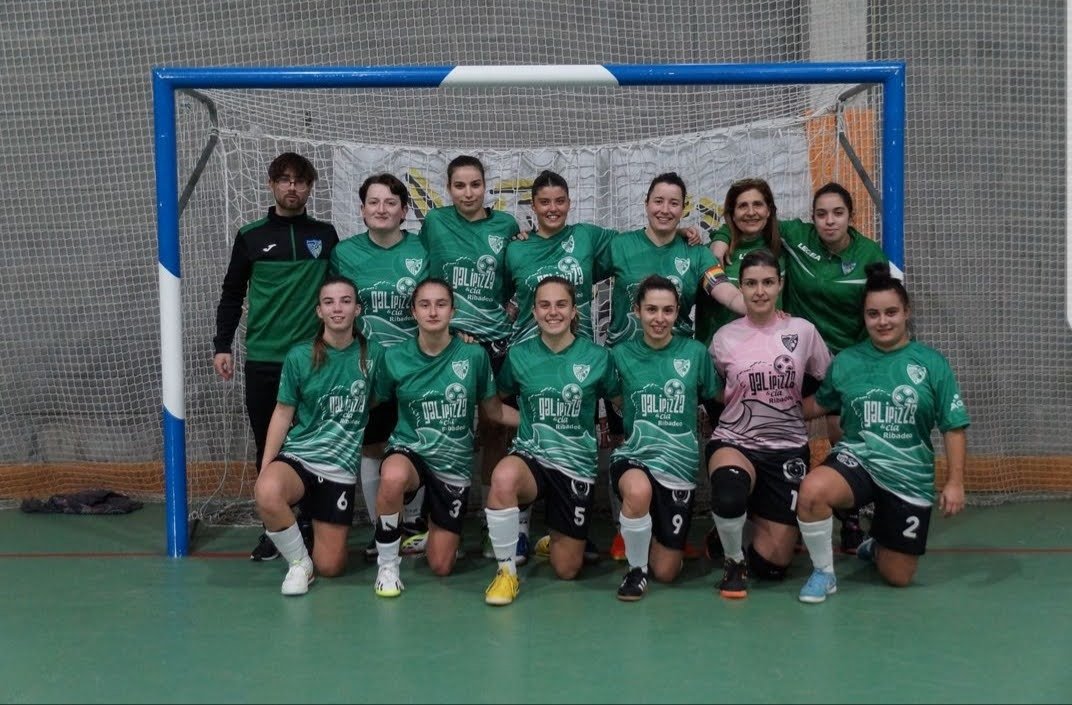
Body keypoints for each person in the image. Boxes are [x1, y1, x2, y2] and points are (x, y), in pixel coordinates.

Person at [795, 262, 969, 603]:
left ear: (906, 312)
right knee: (813, 490)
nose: (883, 321)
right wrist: (765, 402)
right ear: (864, 317)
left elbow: (954, 426)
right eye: (873, 314)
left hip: (908, 474)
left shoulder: (931, 364)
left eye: (891, 312)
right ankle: (823, 573)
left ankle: (877, 544)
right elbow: (818, 403)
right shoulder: (847, 361)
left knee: (898, 577)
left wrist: (955, 481)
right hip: (858, 460)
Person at [602, 172, 746, 562]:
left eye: (673, 203)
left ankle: (673, 522)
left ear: (683, 209)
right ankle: (624, 530)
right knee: (624, 444)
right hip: (626, 364)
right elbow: (574, 275)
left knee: (675, 441)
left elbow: (722, 288)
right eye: (658, 201)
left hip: (675, 368)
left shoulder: (695, 253)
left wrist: (756, 309)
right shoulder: (620, 246)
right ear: (646, 204)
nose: (665, 209)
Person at [213, 152, 338, 562]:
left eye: (300, 181)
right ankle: (275, 526)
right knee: (268, 442)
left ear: (309, 188)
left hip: (314, 360)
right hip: (264, 360)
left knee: (314, 442)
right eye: (284, 180)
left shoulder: (325, 234)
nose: (292, 188)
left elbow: (341, 294)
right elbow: (232, 294)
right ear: (271, 184)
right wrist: (222, 344)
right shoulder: (250, 236)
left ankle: (310, 522)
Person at [369, 278, 519, 597]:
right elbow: (371, 404)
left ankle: (434, 534)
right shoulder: (393, 358)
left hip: (452, 464)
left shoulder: (474, 356)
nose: (433, 312)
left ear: (453, 310)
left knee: (441, 565)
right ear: (413, 311)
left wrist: (539, 421)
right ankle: (388, 565)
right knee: (392, 476)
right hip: (409, 450)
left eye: (441, 304)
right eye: (425, 304)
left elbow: (493, 411)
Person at [502, 170, 618, 563]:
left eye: (560, 201)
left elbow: (642, 245)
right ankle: (517, 535)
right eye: (544, 202)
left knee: (572, 429)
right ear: (532, 207)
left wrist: (689, 235)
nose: (552, 208)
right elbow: (503, 295)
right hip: (527, 354)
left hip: (576, 354)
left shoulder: (587, 237)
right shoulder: (515, 248)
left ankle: (568, 529)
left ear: (569, 203)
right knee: (523, 443)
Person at [417, 156, 527, 565]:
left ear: (486, 188)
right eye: (459, 186)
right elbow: (422, 279)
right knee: (448, 430)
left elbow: (523, 277)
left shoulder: (506, 227)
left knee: (496, 428)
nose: (468, 193)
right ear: (448, 189)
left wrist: (510, 309)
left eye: (475, 185)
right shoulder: (434, 224)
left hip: (495, 344)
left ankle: (493, 519)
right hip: (449, 347)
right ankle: (439, 521)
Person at [483, 276, 619, 606]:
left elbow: (621, 405)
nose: (552, 312)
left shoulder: (597, 357)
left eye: (561, 304)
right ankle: (505, 573)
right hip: (532, 457)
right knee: (503, 476)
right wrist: (529, 421)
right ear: (534, 310)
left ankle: (555, 539)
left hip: (575, 466)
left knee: (567, 569)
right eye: (544, 305)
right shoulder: (519, 356)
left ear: (574, 311)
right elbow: (494, 408)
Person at [705, 249, 832, 599]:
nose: (759, 291)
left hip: (787, 447)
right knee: (729, 495)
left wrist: (800, 409)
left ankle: (739, 528)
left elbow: (830, 383)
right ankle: (733, 560)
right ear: (740, 288)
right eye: (750, 283)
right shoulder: (723, 338)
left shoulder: (802, 331)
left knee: (773, 566)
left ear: (780, 285)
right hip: (736, 441)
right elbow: (713, 392)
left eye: (767, 283)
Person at [253, 275, 382, 595]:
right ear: (319, 312)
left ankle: (310, 531)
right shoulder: (300, 356)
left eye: (345, 301)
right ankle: (298, 563)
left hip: (338, 470)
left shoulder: (375, 356)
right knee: (267, 491)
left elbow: (380, 397)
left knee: (333, 567)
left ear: (357, 309)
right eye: (329, 302)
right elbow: (283, 413)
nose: (337, 308)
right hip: (300, 457)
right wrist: (266, 466)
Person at [780, 182, 891, 552]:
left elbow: (881, 308)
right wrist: (716, 237)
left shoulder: (870, 254)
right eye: (821, 214)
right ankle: (790, 512)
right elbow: (749, 219)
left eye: (838, 213)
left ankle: (852, 518)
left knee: (843, 432)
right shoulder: (797, 238)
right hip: (802, 358)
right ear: (812, 218)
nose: (829, 221)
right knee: (789, 428)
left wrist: (868, 362)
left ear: (851, 216)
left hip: (849, 360)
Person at [329, 173, 428, 561]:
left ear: (404, 210)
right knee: (372, 447)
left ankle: (415, 524)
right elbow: (336, 311)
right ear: (362, 209)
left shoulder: (423, 250)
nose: (381, 209)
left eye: (390, 203)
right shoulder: (345, 254)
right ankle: (381, 527)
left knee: (416, 444)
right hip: (366, 369)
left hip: (416, 368)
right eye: (373, 202)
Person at [607, 275, 722, 600]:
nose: (659, 318)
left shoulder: (696, 354)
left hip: (679, 468)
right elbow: (616, 400)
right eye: (651, 310)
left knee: (668, 571)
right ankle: (635, 571)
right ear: (637, 311)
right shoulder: (620, 355)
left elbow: (713, 397)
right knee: (638, 489)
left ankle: (650, 534)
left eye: (668, 310)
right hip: (635, 457)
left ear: (678, 313)